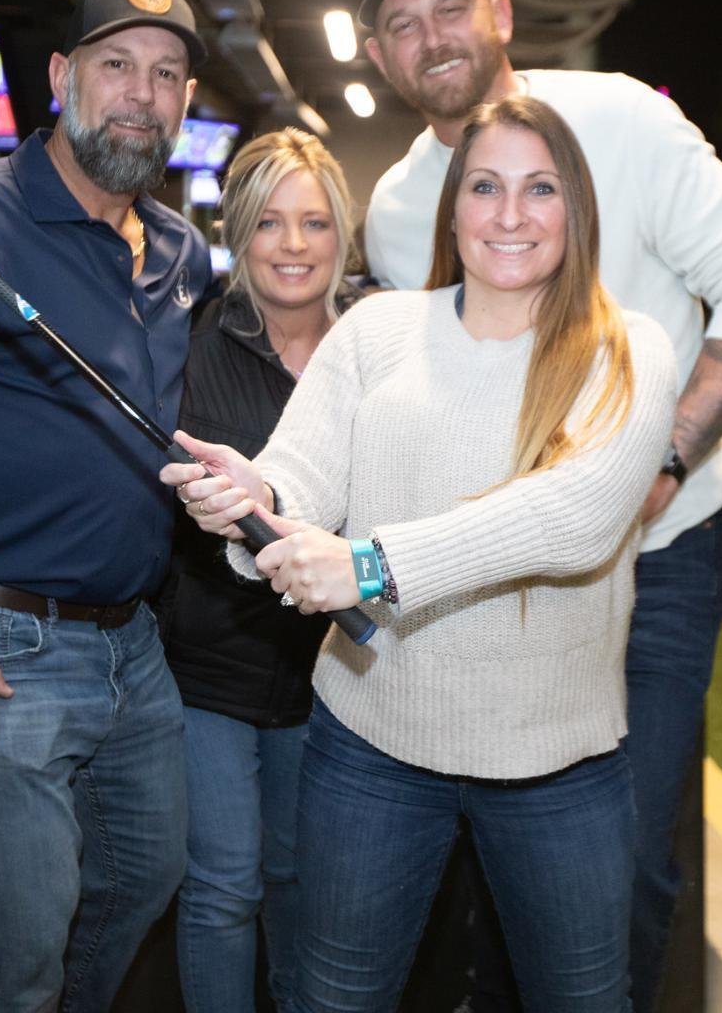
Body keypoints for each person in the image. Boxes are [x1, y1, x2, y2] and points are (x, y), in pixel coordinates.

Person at [356, 0, 722, 1012]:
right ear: (377, 59)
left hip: (658, 562)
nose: (433, 37)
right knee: (507, 867)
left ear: (501, 14)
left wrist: (664, 457)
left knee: (624, 865)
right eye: (401, 25)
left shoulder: (622, 117)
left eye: (450, 8)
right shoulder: (398, 211)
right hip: (504, 580)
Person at [162, 95, 680, 1012]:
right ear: (455, 207)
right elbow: (301, 477)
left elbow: (576, 518)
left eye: (539, 189)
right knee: (333, 998)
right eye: (486, 186)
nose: (510, 215)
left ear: (577, 209)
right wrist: (259, 502)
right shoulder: (377, 332)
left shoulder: (629, 349)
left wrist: (371, 566)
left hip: (560, 766)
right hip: (370, 750)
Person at [0, 0, 211, 1013]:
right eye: (116, 66)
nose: (140, 96)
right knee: (22, 937)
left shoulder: (182, 254)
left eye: (164, 76)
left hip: (130, 647)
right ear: (62, 77)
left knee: (142, 879)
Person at [159, 128, 363, 1012]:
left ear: (340, 237)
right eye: (271, 222)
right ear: (240, 232)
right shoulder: (195, 340)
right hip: (208, 664)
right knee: (223, 887)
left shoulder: (373, 344)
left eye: (314, 223)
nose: (293, 245)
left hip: (332, 670)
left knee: (295, 880)